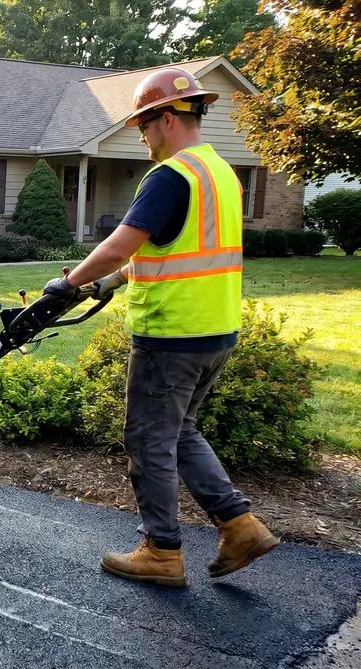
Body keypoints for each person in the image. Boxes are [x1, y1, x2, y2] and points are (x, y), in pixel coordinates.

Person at [42, 67, 279, 587]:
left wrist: (67, 283)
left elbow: (123, 240)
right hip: (215, 329)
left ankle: (161, 552)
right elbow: (170, 249)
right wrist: (111, 283)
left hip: (170, 336)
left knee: (149, 438)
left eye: (145, 127)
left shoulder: (171, 175)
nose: (143, 138)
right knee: (180, 431)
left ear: (167, 118)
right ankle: (241, 526)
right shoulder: (220, 172)